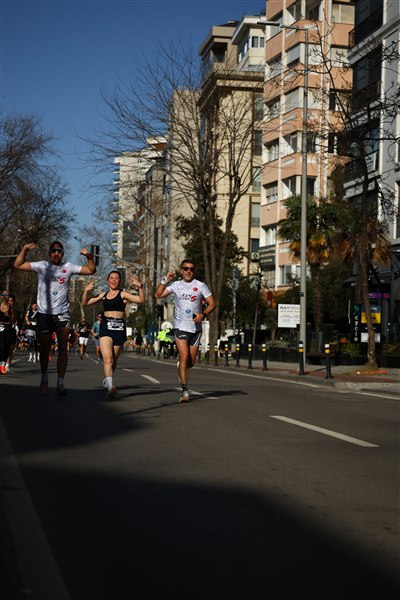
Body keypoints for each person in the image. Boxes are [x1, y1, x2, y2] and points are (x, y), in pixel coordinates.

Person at [14, 241, 96, 395]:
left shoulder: (68, 267)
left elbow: (91, 270)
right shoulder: (42, 266)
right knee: (45, 348)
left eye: (59, 251)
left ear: (62, 254)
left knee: (63, 348)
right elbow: (18, 264)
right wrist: (24, 249)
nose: (56, 254)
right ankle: (44, 377)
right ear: (49, 253)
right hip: (44, 314)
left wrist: (89, 256)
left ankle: (60, 383)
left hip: (62, 314)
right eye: (53, 251)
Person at [155, 259, 216, 402]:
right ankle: (185, 391)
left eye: (191, 269)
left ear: (194, 271)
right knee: (184, 356)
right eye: (186, 268)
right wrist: (165, 280)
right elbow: (157, 295)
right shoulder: (176, 285)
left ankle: (181, 366)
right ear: (181, 270)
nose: (189, 271)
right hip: (180, 327)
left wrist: (203, 314)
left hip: (195, 329)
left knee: (191, 362)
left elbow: (212, 303)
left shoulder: (200, 285)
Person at [82, 271, 144, 398]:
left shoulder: (123, 294)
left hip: (119, 328)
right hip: (106, 327)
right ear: (108, 281)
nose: (114, 280)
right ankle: (110, 387)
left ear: (119, 281)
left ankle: (107, 379)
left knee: (114, 361)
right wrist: (86, 291)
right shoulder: (103, 295)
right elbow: (85, 303)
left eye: (116, 278)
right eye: (111, 278)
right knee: (108, 359)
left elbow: (140, 299)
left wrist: (140, 287)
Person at [0, 291, 17, 375]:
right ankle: (1, 365)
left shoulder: (11, 308)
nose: (5, 297)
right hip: (0, 327)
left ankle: (3, 365)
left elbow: (14, 320)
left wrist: (10, 314)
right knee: (1, 346)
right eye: (3, 295)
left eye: (7, 296)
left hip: (8, 327)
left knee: (7, 347)